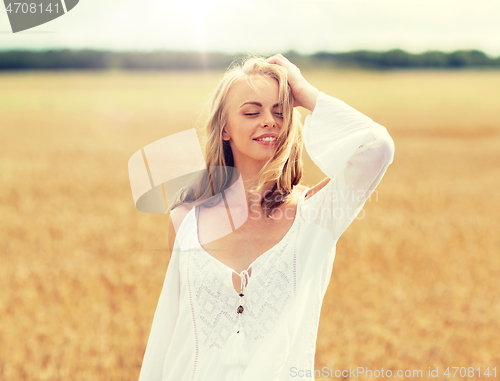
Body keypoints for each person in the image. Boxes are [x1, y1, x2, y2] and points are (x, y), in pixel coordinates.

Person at [137, 54, 395, 381]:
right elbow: (169, 333)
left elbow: (377, 147)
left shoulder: (315, 215)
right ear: (225, 128)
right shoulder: (184, 219)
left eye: (280, 111)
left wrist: (303, 91)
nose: (270, 120)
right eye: (251, 111)